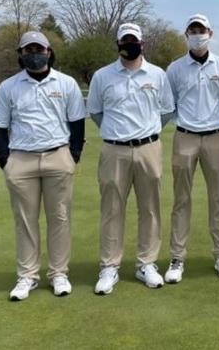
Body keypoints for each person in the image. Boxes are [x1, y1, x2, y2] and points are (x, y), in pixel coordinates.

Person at [0, 31, 86, 301]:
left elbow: (77, 123)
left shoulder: (66, 84)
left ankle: (58, 274)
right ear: (21, 54)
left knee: (60, 218)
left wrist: (73, 155)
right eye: (28, 49)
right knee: (25, 221)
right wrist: (4, 160)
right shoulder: (9, 87)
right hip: (21, 158)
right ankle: (27, 276)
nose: (34, 53)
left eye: (39, 49)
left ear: (49, 51)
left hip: (58, 156)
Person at [87, 22, 175, 294]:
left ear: (142, 44)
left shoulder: (158, 75)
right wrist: (117, 134)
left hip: (149, 147)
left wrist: (146, 133)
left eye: (133, 41)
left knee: (150, 208)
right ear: (118, 45)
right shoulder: (102, 76)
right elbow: (96, 112)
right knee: (112, 209)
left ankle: (146, 263)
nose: (129, 45)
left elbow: (167, 110)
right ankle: (109, 266)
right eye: (124, 41)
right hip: (114, 149)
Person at [163, 14, 219, 283]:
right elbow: (168, 103)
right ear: (187, 34)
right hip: (185, 136)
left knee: (218, 198)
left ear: (210, 33)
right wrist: (188, 123)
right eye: (193, 30)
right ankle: (177, 257)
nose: (197, 34)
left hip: (215, 136)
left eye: (201, 30)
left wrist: (212, 122)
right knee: (181, 199)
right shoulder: (175, 69)